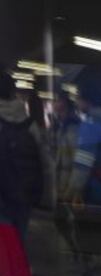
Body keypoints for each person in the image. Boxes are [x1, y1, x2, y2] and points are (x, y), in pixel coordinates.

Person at [0, 70, 43, 237]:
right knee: (19, 243)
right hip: (24, 195)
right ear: (13, 93)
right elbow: (44, 161)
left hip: (2, 197)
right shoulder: (29, 123)